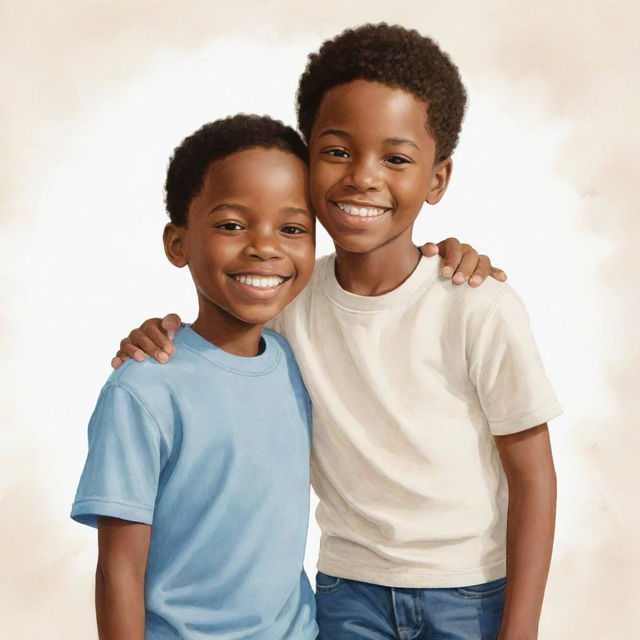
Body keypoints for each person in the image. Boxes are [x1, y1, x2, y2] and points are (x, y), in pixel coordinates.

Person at [112, 24, 561, 640]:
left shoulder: (476, 305)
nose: (362, 178)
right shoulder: (291, 303)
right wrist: (152, 337)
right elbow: (217, 334)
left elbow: (534, 475)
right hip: (346, 593)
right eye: (338, 151)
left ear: (437, 179)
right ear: (307, 157)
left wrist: (522, 630)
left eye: (396, 158)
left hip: (470, 592)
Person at [71, 115, 320, 639]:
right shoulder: (143, 389)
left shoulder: (299, 359)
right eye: (232, 225)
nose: (265, 247)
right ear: (177, 242)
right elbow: (119, 568)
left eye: (292, 229)